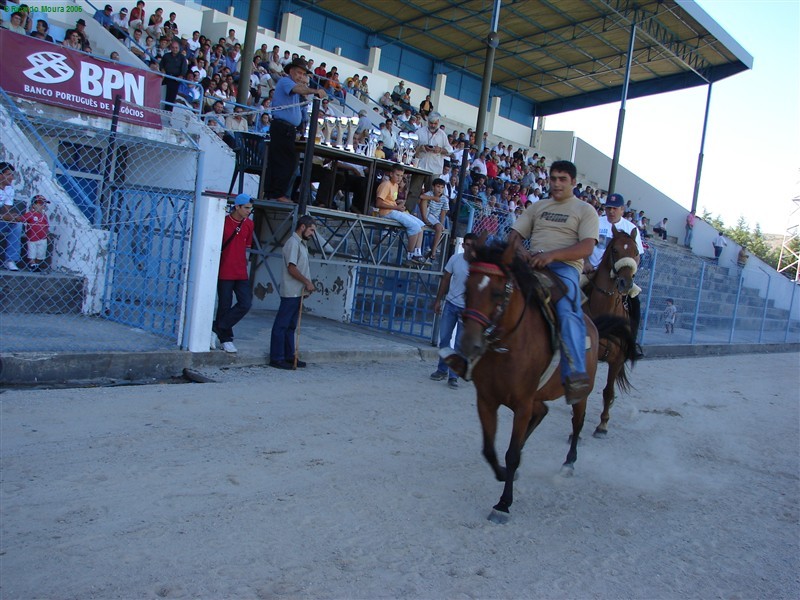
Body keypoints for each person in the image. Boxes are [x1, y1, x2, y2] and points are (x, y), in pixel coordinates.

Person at [509, 159, 599, 404]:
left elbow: (587, 246)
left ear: (573, 182)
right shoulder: (537, 207)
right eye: (553, 178)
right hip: (531, 264)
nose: (556, 184)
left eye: (562, 179)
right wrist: (523, 252)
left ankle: (576, 374)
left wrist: (552, 255)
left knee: (567, 309)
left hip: (564, 269)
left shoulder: (584, 210)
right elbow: (514, 236)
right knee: (494, 292)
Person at [585, 192, 645, 359]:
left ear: (622, 209)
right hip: (592, 272)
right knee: (572, 291)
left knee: (635, 303)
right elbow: (584, 242)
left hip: (620, 275)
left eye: (615, 208)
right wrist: (585, 262)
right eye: (608, 208)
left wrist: (630, 271)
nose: (611, 211)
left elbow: (637, 255)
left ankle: (631, 344)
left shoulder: (631, 228)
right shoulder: (595, 222)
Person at [264, 58, 326, 204]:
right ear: (291, 71)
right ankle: (277, 193)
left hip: (288, 129)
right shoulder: (286, 82)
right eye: (299, 73)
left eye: (303, 74)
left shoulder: (294, 88)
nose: (301, 76)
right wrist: (315, 91)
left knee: (288, 162)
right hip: (282, 127)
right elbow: (298, 89)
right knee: (284, 162)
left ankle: (276, 192)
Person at [430, 233, 477, 388]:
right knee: (444, 338)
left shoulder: (478, 265)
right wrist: (438, 300)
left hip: (466, 309)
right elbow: (445, 279)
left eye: (472, 244)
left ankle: (453, 376)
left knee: (458, 344)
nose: (469, 247)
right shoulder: (455, 259)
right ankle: (442, 369)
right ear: (463, 245)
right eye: (467, 244)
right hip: (450, 304)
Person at [270, 215, 316, 370]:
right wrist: (307, 282)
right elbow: (292, 268)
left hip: (298, 291)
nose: (312, 233)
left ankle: (289, 356)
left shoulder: (302, 244)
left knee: (291, 326)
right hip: (291, 291)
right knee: (282, 325)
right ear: (302, 227)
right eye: (311, 229)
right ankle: (277, 357)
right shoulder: (293, 243)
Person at [213, 193, 254, 354]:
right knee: (224, 304)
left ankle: (217, 327)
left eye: (251, 208)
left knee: (245, 303)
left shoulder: (249, 224)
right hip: (224, 269)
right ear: (237, 207)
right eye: (246, 208)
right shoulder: (223, 222)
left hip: (240, 270)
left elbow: (247, 247)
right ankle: (226, 339)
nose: (249, 211)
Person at [376, 164, 427, 265]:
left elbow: (390, 201)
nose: (399, 178)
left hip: (394, 210)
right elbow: (379, 203)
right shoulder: (386, 184)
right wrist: (396, 207)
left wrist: (398, 205)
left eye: (401, 176)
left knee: (421, 225)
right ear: (391, 174)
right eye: (397, 175)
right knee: (414, 226)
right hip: (387, 212)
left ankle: (417, 253)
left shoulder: (395, 186)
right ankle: (410, 255)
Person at [410, 111, 452, 215]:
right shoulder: (420, 132)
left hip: (434, 169)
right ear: (427, 121)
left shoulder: (442, 135)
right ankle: (408, 212)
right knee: (413, 192)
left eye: (435, 123)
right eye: (430, 123)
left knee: (432, 194)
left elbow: (449, 151)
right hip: (420, 166)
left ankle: (428, 216)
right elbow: (411, 147)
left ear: (438, 122)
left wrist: (440, 150)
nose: (432, 125)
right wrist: (422, 148)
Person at [418, 178, 448, 261]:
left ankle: (433, 250)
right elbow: (421, 196)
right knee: (424, 199)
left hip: (434, 218)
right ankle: (424, 219)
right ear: (433, 187)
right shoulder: (430, 194)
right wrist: (433, 198)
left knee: (439, 228)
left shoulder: (444, 199)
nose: (440, 189)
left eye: (442, 187)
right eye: (438, 187)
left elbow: (443, 212)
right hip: (426, 214)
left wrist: (441, 223)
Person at [0, 162, 22, 271]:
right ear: (0, 175)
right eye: (9, 174)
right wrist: (5, 217)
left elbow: (6, 212)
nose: (12, 178)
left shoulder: (9, 189)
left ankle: (10, 260)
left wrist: (12, 216)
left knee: (16, 225)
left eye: (12, 175)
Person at [22, 195, 50, 271]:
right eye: (40, 204)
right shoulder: (30, 214)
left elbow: (46, 226)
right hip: (32, 238)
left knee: (41, 253)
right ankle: (32, 264)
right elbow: (23, 219)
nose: (43, 206)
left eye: (44, 204)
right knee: (32, 252)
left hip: (42, 238)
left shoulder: (44, 216)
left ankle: (36, 264)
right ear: (34, 205)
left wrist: (47, 234)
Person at [161, 39, 188, 111]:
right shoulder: (166, 56)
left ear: (179, 48)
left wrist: (181, 76)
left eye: (176, 48)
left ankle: (167, 112)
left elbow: (184, 68)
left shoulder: (182, 57)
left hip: (175, 79)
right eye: (173, 47)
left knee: (171, 97)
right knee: (160, 91)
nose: (175, 49)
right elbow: (162, 65)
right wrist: (163, 71)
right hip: (166, 77)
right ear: (171, 48)